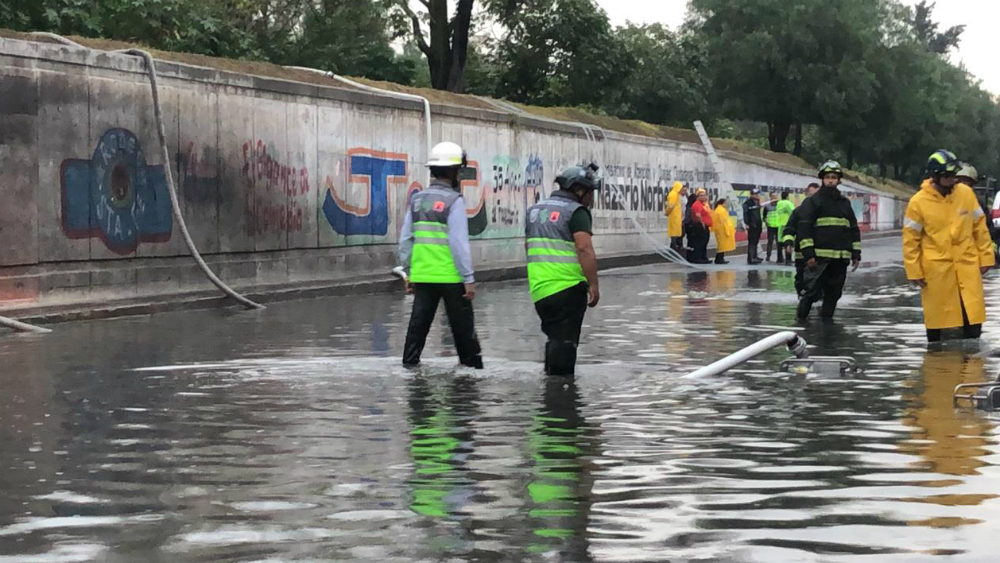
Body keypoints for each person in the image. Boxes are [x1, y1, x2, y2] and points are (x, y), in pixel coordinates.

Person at [399, 141, 483, 369]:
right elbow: (458, 243)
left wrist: (409, 273)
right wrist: (468, 278)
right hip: (452, 277)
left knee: (417, 330)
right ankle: (471, 377)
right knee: (464, 336)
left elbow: (406, 240)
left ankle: (409, 368)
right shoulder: (454, 201)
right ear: (455, 171)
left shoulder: (417, 200)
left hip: (424, 276)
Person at [903, 150, 994, 342]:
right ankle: (939, 366)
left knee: (972, 320)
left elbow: (980, 228)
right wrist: (914, 271)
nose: (953, 179)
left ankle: (971, 366)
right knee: (938, 324)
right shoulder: (918, 202)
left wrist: (986, 258)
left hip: (967, 265)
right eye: (947, 176)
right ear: (934, 176)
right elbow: (911, 240)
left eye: (954, 175)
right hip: (936, 270)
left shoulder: (966, 194)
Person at [526, 164, 602, 376]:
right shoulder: (577, 212)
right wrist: (594, 285)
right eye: (590, 192)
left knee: (554, 340)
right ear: (579, 190)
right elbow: (584, 248)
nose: (591, 198)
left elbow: (528, 247)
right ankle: (560, 398)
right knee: (566, 345)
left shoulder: (534, 211)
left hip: (540, 290)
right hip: (567, 287)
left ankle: (549, 392)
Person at [795, 160, 861, 320]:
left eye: (834, 177)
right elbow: (804, 228)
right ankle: (801, 326)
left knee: (834, 294)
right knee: (811, 293)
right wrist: (809, 254)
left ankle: (826, 329)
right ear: (822, 179)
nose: (830, 180)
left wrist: (856, 253)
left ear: (839, 180)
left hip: (840, 259)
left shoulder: (845, 203)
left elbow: (853, 228)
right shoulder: (813, 202)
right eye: (827, 177)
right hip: (819, 260)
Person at [782, 182, 820, 295]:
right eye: (810, 194)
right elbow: (789, 229)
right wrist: (788, 243)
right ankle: (803, 298)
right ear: (806, 194)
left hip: (819, 254)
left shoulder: (823, 212)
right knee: (801, 280)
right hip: (801, 254)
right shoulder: (798, 211)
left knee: (819, 281)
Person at [687, 188, 714, 264]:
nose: (704, 197)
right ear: (698, 197)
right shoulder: (697, 204)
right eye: (701, 196)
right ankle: (698, 258)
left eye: (704, 195)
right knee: (700, 243)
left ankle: (703, 257)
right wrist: (702, 223)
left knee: (704, 242)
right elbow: (698, 215)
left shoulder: (704, 204)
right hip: (699, 226)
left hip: (705, 226)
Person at [664, 182, 688, 254]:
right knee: (674, 232)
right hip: (674, 216)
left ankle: (675, 246)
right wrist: (667, 213)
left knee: (677, 232)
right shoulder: (673, 194)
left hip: (677, 215)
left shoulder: (676, 194)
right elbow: (671, 206)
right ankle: (673, 247)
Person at [742, 187, 763, 264]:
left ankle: (755, 256)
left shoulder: (757, 202)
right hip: (752, 225)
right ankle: (751, 258)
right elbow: (745, 214)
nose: (757, 195)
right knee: (752, 242)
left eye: (758, 194)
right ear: (752, 195)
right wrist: (747, 223)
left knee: (756, 241)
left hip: (758, 224)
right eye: (756, 194)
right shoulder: (747, 203)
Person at [712, 197, 735, 264]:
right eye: (726, 203)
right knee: (722, 245)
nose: (727, 204)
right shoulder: (721, 211)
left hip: (721, 230)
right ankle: (719, 259)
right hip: (722, 230)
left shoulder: (721, 210)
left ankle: (720, 258)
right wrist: (727, 230)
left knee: (722, 245)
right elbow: (724, 222)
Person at [775, 190, 795, 264]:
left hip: (779, 224)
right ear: (787, 196)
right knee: (788, 241)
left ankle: (779, 258)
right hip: (787, 224)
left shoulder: (779, 203)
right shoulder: (788, 203)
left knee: (780, 242)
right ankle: (788, 259)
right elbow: (793, 212)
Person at [763, 194, 781, 262]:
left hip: (778, 227)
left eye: (776, 198)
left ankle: (779, 257)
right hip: (770, 227)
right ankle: (768, 256)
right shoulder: (767, 207)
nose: (775, 200)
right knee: (770, 242)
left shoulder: (779, 206)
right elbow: (764, 217)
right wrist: (766, 222)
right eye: (773, 198)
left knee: (778, 243)